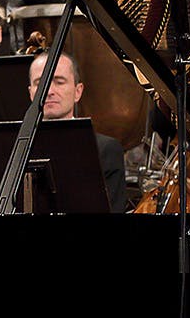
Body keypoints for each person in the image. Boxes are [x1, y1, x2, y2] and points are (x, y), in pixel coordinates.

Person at [27, 51, 127, 213]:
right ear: (31, 93)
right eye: (40, 83)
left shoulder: (105, 149)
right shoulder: (17, 149)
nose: (49, 91)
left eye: (59, 82)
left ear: (78, 91)